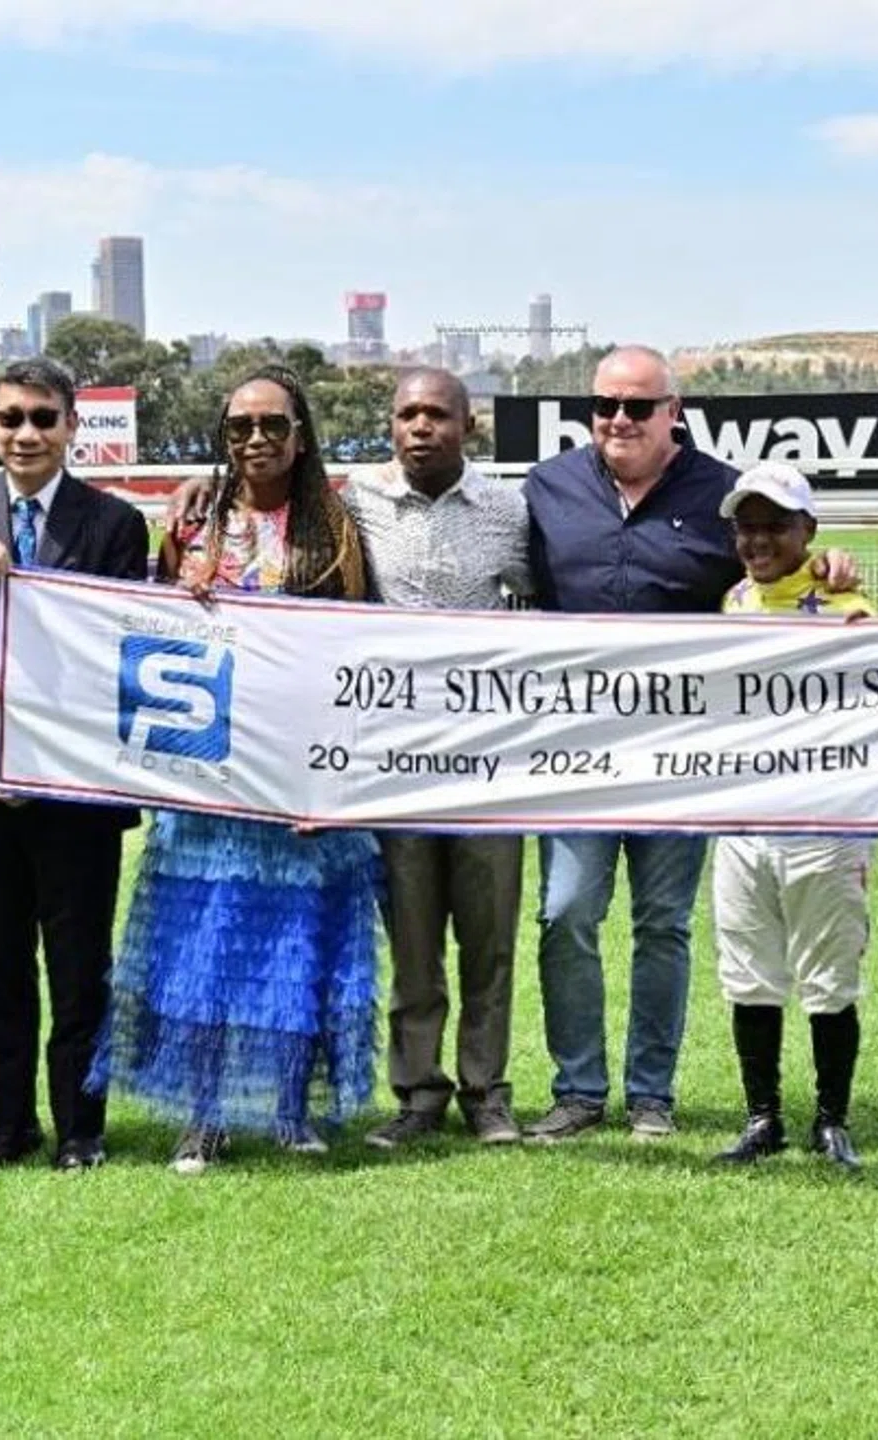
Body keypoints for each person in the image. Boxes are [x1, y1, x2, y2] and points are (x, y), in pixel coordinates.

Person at [520, 345, 859, 1144]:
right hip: (577, 749)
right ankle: (577, 1089)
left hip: (685, 753)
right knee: (566, 911)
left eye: (638, 407)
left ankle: (650, 1094)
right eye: (605, 406)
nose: (619, 421)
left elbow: (772, 568)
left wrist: (829, 567)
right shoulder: (547, 488)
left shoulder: (718, 493)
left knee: (663, 922)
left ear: (675, 410)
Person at [93, 367, 380, 1174]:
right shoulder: (194, 526)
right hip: (209, 780)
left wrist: (335, 779)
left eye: (272, 425)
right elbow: (149, 636)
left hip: (299, 777)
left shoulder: (337, 526)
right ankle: (204, 1117)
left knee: (296, 941)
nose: (256, 439)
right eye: (239, 427)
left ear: (301, 434)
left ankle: (290, 1109)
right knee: (205, 946)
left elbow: (356, 652)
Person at [0, 356, 150, 1174]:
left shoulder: (116, 523)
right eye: (11, 417)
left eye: (43, 418)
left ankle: (81, 1128)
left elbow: (124, 648)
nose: (26, 433)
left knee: (81, 968)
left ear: (71, 427)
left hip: (76, 784)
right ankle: (7, 1127)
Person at [346, 369, 531, 1149]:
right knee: (413, 943)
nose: (420, 427)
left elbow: (544, 614)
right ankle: (419, 1092)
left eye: (437, 415)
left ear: (469, 426)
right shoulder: (354, 501)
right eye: (406, 414)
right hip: (395, 764)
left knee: (488, 941)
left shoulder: (510, 509)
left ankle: (487, 1093)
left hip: (488, 764)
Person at [708, 462, 876, 1172]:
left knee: (829, 977)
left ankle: (831, 1119)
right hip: (746, 823)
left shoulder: (850, 609)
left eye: (775, 525)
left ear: (808, 530)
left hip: (825, 823)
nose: (758, 539)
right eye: (747, 526)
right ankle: (763, 1116)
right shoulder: (733, 603)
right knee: (749, 972)